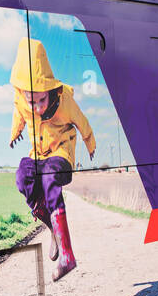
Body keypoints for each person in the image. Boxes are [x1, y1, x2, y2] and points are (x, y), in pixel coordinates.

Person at [8, 38, 96, 281]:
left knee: (48, 177)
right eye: (31, 101)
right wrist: (15, 132)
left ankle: (67, 256)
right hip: (38, 154)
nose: (36, 107)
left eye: (41, 101)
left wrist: (90, 143)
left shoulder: (64, 101)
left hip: (61, 154)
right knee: (22, 177)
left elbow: (82, 121)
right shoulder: (22, 102)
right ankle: (52, 229)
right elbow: (19, 114)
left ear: (49, 91)